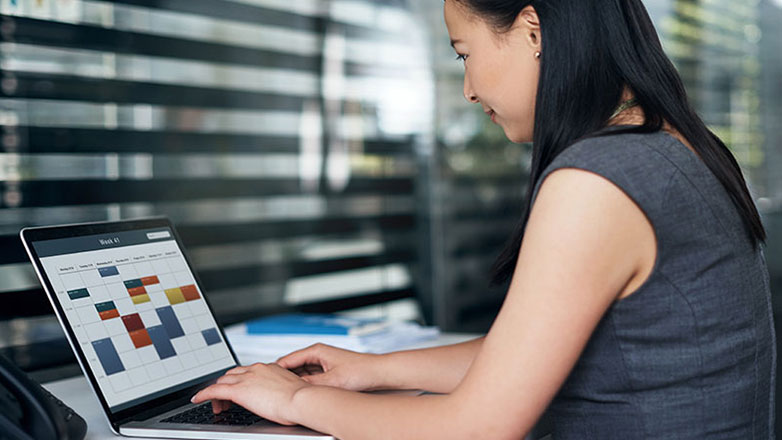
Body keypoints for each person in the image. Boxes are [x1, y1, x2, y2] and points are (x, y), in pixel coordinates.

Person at [192, 0, 776, 438]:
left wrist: (293, 403)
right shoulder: (679, 147)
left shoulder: (599, 179)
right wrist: (371, 371)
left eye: (465, 54)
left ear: (533, 30)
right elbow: (544, 352)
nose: (469, 90)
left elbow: (476, 426)